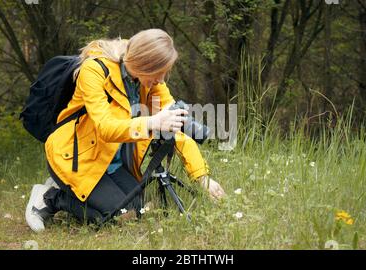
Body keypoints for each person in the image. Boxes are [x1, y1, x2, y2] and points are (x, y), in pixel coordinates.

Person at [25, 29, 225, 233]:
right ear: (145, 64)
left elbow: (174, 125)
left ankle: (79, 192)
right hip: (76, 158)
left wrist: (202, 177)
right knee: (116, 216)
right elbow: (105, 127)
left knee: (137, 212)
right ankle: (52, 197)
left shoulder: (151, 82)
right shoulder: (94, 71)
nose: (162, 80)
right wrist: (152, 122)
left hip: (111, 162)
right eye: (160, 72)